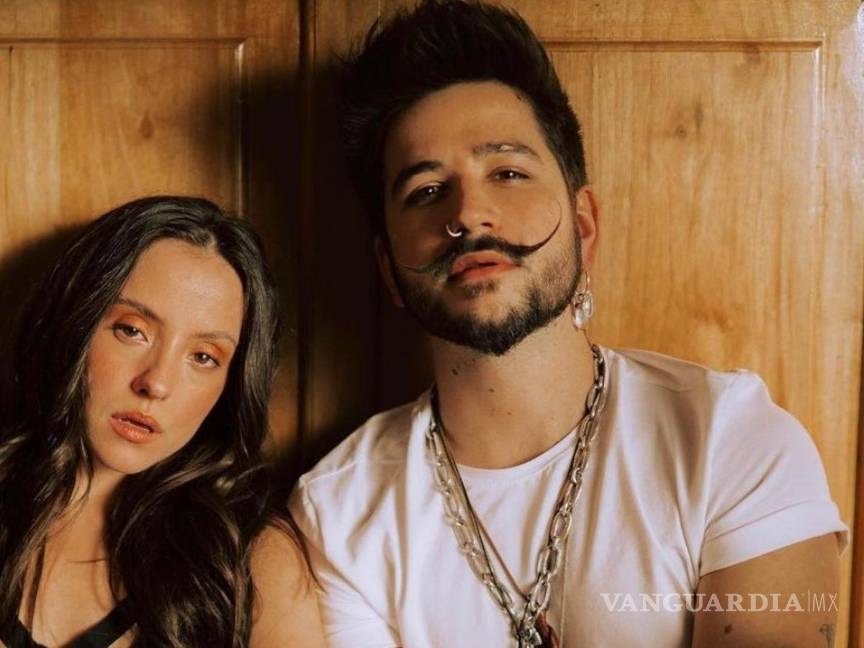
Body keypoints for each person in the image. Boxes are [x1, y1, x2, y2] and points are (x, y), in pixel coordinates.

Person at [289, 2, 848, 647]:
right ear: (389, 269)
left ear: (584, 228)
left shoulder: (729, 438)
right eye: (426, 191)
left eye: (507, 173)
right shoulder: (338, 513)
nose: (469, 214)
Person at [0, 197, 326, 647]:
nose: (156, 383)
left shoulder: (249, 560)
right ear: (74, 323)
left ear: (230, 386)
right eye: (132, 330)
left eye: (203, 357)